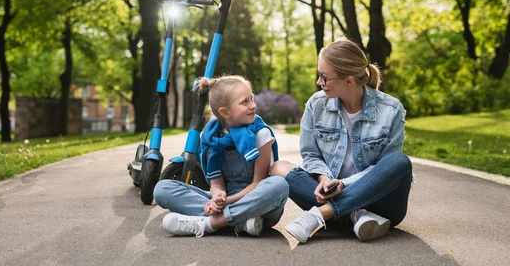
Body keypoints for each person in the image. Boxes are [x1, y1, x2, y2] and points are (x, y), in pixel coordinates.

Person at [270, 38, 412, 243]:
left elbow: (385, 169)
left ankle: (321, 215)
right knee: (278, 168)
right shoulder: (315, 104)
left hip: (380, 202)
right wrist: (324, 179)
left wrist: (344, 184)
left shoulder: (391, 109)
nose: (319, 82)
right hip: (328, 193)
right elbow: (311, 154)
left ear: (349, 80)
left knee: (399, 162)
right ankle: (357, 216)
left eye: (324, 77)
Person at [153, 75, 289, 237]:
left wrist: (228, 202)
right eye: (245, 102)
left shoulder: (261, 133)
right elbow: (216, 184)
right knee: (162, 189)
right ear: (225, 112)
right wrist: (218, 195)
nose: (253, 105)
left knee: (279, 185)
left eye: (251, 98)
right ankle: (241, 222)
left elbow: (257, 184)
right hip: (229, 199)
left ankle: (210, 223)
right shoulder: (210, 137)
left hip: (258, 202)